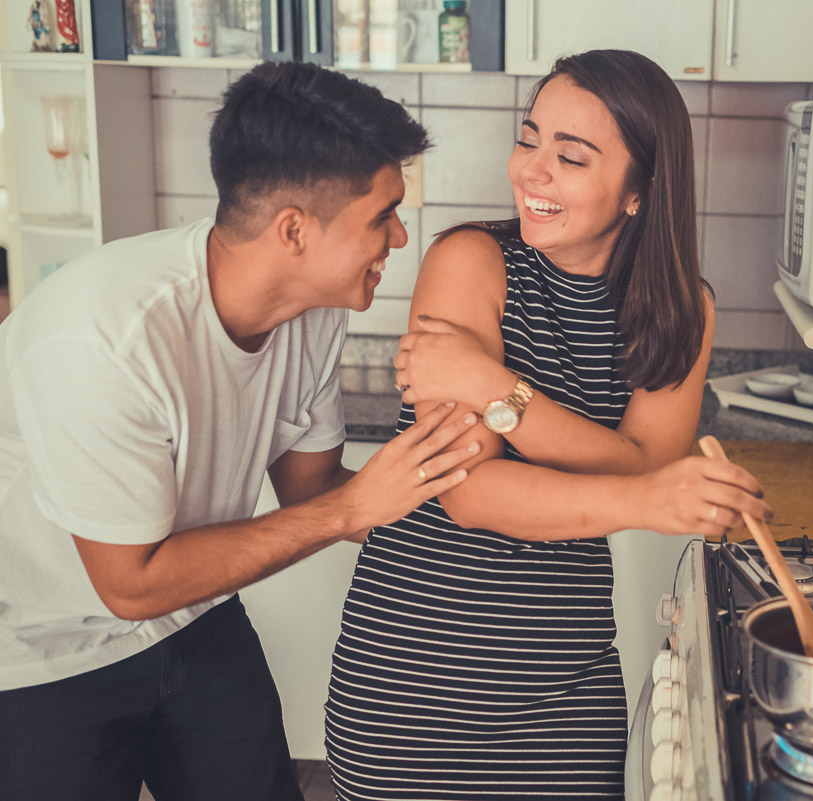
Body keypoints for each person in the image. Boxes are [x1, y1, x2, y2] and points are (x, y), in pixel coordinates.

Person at [0, 61, 479, 801]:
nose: (401, 235)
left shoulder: (317, 309)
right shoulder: (105, 340)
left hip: (195, 619)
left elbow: (311, 488)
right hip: (43, 653)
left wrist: (469, 485)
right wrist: (357, 508)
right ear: (293, 229)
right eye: (382, 213)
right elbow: (130, 584)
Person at [324, 50, 771, 800]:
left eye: (570, 156)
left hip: (565, 691)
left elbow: (647, 461)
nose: (531, 171)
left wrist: (495, 388)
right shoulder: (470, 263)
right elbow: (469, 493)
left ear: (639, 192)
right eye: (529, 140)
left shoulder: (681, 310)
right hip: (411, 685)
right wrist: (638, 486)